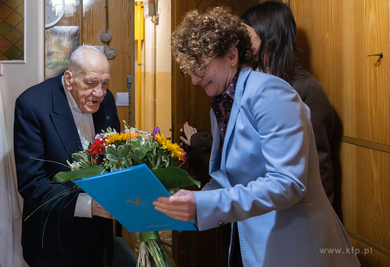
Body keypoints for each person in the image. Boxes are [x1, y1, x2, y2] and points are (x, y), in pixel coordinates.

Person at [153, 7, 360, 267]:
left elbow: (287, 183)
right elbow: (227, 179)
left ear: (231, 55)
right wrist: (184, 206)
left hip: (295, 244)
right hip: (251, 240)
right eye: (188, 71)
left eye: (200, 67)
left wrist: (203, 204)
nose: (194, 79)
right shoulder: (222, 103)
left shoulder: (269, 91)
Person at [180, 1, 335, 204]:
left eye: (246, 34)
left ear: (269, 36)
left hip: (290, 212)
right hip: (253, 208)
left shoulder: (294, 89)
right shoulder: (232, 92)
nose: (239, 40)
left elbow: (316, 164)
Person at [14, 45, 136, 267]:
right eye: (90, 83)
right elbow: (32, 183)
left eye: (105, 83)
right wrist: (90, 205)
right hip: (54, 241)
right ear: (69, 79)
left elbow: (115, 159)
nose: (99, 92)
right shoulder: (32, 105)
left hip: (98, 237)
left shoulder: (105, 101)